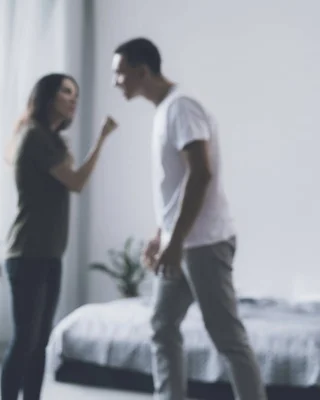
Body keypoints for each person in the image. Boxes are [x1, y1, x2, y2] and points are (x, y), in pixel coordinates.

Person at [112, 38, 266, 400]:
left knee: (227, 337)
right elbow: (178, 184)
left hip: (203, 243)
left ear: (142, 70)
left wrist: (175, 240)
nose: (115, 82)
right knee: (162, 327)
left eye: (119, 73)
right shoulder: (165, 109)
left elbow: (201, 174)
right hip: (180, 241)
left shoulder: (181, 107)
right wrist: (161, 234)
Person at [1, 73, 117, 400]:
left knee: (39, 342)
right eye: (67, 92)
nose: (74, 99)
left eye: (76, 94)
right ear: (49, 96)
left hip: (49, 254)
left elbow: (70, 177)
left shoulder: (51, 141)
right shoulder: (35, 136)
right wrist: (102, 138)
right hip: (27, 253)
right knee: (26, 340)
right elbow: (77, 182)